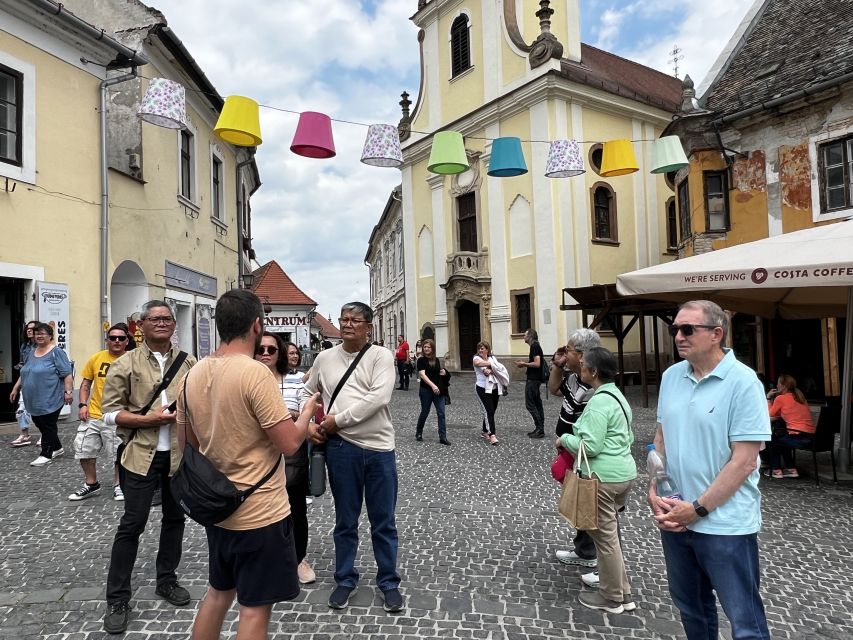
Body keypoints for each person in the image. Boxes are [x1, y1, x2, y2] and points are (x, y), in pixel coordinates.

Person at [179, 290, 319, 640]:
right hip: (260, 513)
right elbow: (288, 443)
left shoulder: (193, 374)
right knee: (254, 608)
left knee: (218, 593)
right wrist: (305, 413)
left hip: (218, 507)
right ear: (257, 325)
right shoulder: (256, 374)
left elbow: (189, 444)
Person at [651, 300, 770, 640]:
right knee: (692, 610)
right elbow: (661, 439)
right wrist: (654, 487)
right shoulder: (671, 377)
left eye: (688, 329)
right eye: (675, 329)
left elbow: (744, 461)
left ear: (717, 334)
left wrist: (699, 508)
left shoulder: (744, 382)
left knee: (745, 621)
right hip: (676, 514)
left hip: (725, 525)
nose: (678, 336)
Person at [100, 300, 196, 634]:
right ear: (140, 325)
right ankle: (117, 597)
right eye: (154, 318)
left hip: (178, 458)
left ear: (174, 324)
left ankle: (166, 580)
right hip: (140, 455)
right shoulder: (125, 363)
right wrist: (148, 419)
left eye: (167, 318)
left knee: (174, 520)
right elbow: (109, 413)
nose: (161, 323)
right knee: (132, 524)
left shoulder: (188, 363)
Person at [305, 302, 404, 613]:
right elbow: (308, 392)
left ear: (368, 327)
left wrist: (337, 420)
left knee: (383, 521)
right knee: (345, 521)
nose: (347, 325)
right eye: (343, 319)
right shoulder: (324, 358)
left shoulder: (381, 356)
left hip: (378, 449)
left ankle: (388, 582)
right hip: (341, 450)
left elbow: (379, 397)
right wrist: (308, 422)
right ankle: (345, 579)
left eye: (355, 320)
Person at [556, 347, 636, 614]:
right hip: (622, 473)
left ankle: (612, 597)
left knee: (606, 540)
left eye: (584, 365)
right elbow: (627, 437)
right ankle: (623, 593)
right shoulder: (617, 397)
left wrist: (564, 439)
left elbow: (589, 445)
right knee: (610, 537)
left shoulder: (600, 402)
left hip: (603, 478)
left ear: (594, 371)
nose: (581, 368)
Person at [255, 332, 316, 584]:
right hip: (256, 456)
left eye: (272, 349)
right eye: (261, 349)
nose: (266, 354)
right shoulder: (246, 380)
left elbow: (307, 417)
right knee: (259, 511)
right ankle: (265, 559)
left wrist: (288, 415)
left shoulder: (294, 382)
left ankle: (298, 557)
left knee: (295, 508)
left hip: (290, 455)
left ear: (279, 354)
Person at [548, 328, 601, 575]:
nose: (564, 351)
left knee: (587, 500)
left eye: (568, 349)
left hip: (581, 451)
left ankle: (593, 555)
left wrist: (568, 441)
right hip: (570, 448)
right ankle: (583, 550)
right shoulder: (575, 378)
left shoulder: (594, 386)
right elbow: (553, 389)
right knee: (578, 499)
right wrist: (558, 366)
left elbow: (592, 429)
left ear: (581, 355)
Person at [68, 323, 132, 502]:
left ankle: (119, 485)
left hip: (119, 416)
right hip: (94, 414)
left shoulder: (133, 359)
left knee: (117, 453)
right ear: (107, 340)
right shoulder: (96, 358)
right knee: (83, 449)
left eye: (121, 338)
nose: (117, 341)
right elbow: (86, 383)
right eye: (113, 338)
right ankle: (91, 483)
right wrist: (82, 405)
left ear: (127, 341)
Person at [8, 322, 73, 465]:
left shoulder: (57, 352)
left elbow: (67, 374)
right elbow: (25, 371)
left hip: (51, 396)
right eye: (37, 333)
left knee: (48, 424)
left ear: (50, 336)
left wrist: (68, 392)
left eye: (43, 333)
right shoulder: (32, 352)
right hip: (33, 397)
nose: (39, 336)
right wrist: (16, 388)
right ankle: (57, 447)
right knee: (39, 422)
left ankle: (46, 453)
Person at [765, 374, 815, 478]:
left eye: (778, 383)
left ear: (783, 386)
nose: (777, 385)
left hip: (798, 438)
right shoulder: (800, 397)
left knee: (772, 440)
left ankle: (775, 470)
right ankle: (791, 469)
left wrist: (768, 398)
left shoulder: (781, 398)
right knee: (782, 439)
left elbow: (769, 414)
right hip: (812, 438)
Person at [415, 338, 451, 445]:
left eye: (428, 347)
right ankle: (419, 432)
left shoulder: (436, 360)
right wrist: (433, 386)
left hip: (438, 390)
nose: (426, 349)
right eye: (425, 347)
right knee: (425, 412)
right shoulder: (421, 360)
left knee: (441, 413)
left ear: (432, 348)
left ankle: (443, 436)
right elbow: (422, 375)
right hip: (426, 390)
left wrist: (444, 372)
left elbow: (438, 372)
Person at [473, 341, 508, 446]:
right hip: (481, 388)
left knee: (492, 410)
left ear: (487, 349)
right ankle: (492, 434)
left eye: (482, 348)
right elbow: (478, 364)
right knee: (488, 411)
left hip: (494, 387)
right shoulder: (476, 358)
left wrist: (492, 368)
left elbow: (499, 369)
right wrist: (493, 366)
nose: (480, 350)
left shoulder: (492, 358)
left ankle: (484, 431)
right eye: (479, 348)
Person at [10, 320, 37, 447]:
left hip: (41, 384)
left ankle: (46, 436)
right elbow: (23, 368)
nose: (29, 330)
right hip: (26, 383)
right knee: (21, 410)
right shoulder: (25, 347)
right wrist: (16, 387)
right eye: (28, 328)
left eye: (32, 328)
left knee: (42, 412)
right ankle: (25, 435)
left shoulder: (43, 346)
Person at [515, 328, 545, 439]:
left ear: (530, 336)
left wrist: (524, 364)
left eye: (525, 335)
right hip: (535, 379)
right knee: (537, 403)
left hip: (533, 380)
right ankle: (539, 428)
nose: (524, 337)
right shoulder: (535, 346)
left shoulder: (535, 346)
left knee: (530, 404)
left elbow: (537, 364)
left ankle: (540, 428)